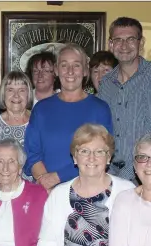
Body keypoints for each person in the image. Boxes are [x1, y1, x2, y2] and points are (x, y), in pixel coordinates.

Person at [36, 123, 134, 246]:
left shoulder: (127, 190)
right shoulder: (58, 194)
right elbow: (47, 243)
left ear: (109, 157)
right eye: (84, 151)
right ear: (75, 157)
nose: (91, 158)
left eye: (99, 151)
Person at [24, 44, 114, 193]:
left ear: (85, 70)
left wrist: (58, 177)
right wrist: (47, 185)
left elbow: (102, 154)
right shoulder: (41, 109)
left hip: (88, 191)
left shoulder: (100, 109)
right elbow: (32, 154)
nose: (70, 71)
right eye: (64, 65)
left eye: (76, 65)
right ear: (56, 70)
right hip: (46, 192)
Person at [98, 17, 151, 182]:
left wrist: (125, 176)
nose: (124, 46)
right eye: (118, 40)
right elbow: (102, 130)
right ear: (110, 44)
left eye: (131, 39)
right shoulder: (106, 83)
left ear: (141, 42)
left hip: (145, 172)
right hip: (109, 172)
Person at [0, 71, 33, 188]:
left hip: (34, 196)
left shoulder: (39, 124)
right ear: (3, 94)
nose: (16, 95)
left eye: (21, 90)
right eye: (10, 90)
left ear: (29, 94)